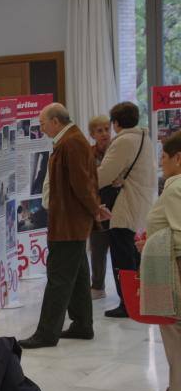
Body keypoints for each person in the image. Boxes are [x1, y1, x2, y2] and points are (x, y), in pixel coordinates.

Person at [20, 104, 110, 349]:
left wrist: (94, 209)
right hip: (68, 222)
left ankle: (46, 333)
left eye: (43, 123)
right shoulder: (70, 140)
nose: (41, 127)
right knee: (79, 275)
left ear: (56, 121)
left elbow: (83, 183)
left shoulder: (71, 142)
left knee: (58, 277)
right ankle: (82, 325)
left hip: (68, 224)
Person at [97, 102, 157, 317]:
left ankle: (128, 303)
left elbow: (104, 175)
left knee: (122, 258)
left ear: (116, 123)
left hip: (124, 206)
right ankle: (137, 300)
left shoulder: (123, 142)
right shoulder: (144, 138)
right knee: (133, 254)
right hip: (141, 204)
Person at [137, 131, 181, 391]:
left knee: (174, 328)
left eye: (164, 157)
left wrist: (150, 243)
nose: (161, 162)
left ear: (178, 158)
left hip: (175, 267)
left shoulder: (175, 186)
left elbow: (178, 234)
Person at [88, 115, 112, 300]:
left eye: (107, 129)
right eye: (100, 130)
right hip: (98, 207)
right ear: (92, 134)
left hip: (119, 206)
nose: (105, 134)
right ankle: (97, 286)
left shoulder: (117, 151)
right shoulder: (88, 154)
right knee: (98, 249)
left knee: (124, 249)